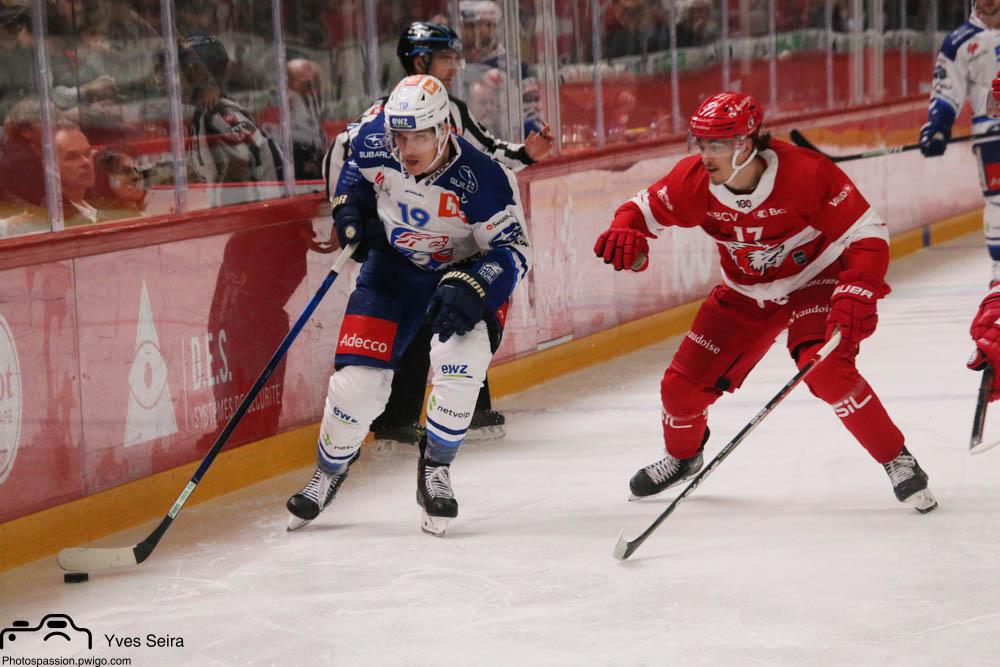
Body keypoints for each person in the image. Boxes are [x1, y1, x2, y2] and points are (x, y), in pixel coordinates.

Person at [594, 91, 937, 513]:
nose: (705, 155)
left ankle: (896, 458)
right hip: (744, 291)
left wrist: (859, 288)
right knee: (679, 389)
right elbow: (641, 209)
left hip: (814, 278)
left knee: (826, 367)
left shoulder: (805, 173)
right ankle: (683, 458)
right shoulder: (693, 181)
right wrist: (626, 229)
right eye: (701, 143)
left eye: (717, 144)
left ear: (746, 143)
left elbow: (866, 232)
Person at [287, 74, 532, 536]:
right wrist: (349, 209)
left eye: (418, 136)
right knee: (357, 387)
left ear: (444, 129)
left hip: (460, 276)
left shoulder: (483, 178)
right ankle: (328, 471)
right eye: (399, 137)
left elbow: (516, 252)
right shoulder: (373, 139)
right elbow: (354, 172)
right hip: (394, 270)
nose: (405, 148)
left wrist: (478, 285)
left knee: (460, 371)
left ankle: (435, 469)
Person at [323, 21, 553, 446]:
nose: (455, 65)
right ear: (419, 60)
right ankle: (396, 417)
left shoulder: (452, 108)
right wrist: (347, 211)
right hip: (406, 239)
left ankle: (468, 410)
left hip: (453, 236)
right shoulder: (384, 114)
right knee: (411, 324)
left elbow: (486, 154)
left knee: (466, 307)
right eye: (446, 57)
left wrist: (524, 153)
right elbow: (345, 155)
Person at [919, 0, 1000, 284]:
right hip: (992, 134)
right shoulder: (959, 42)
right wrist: (937, 126)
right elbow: (946, 91)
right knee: (999, 201)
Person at [167, 34, 284, 208]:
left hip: (256, 215)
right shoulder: (204, 115)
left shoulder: (217, 116)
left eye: (179, 72)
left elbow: (243, 163)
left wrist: (225, 213)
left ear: (198, 75)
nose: (173, 80)